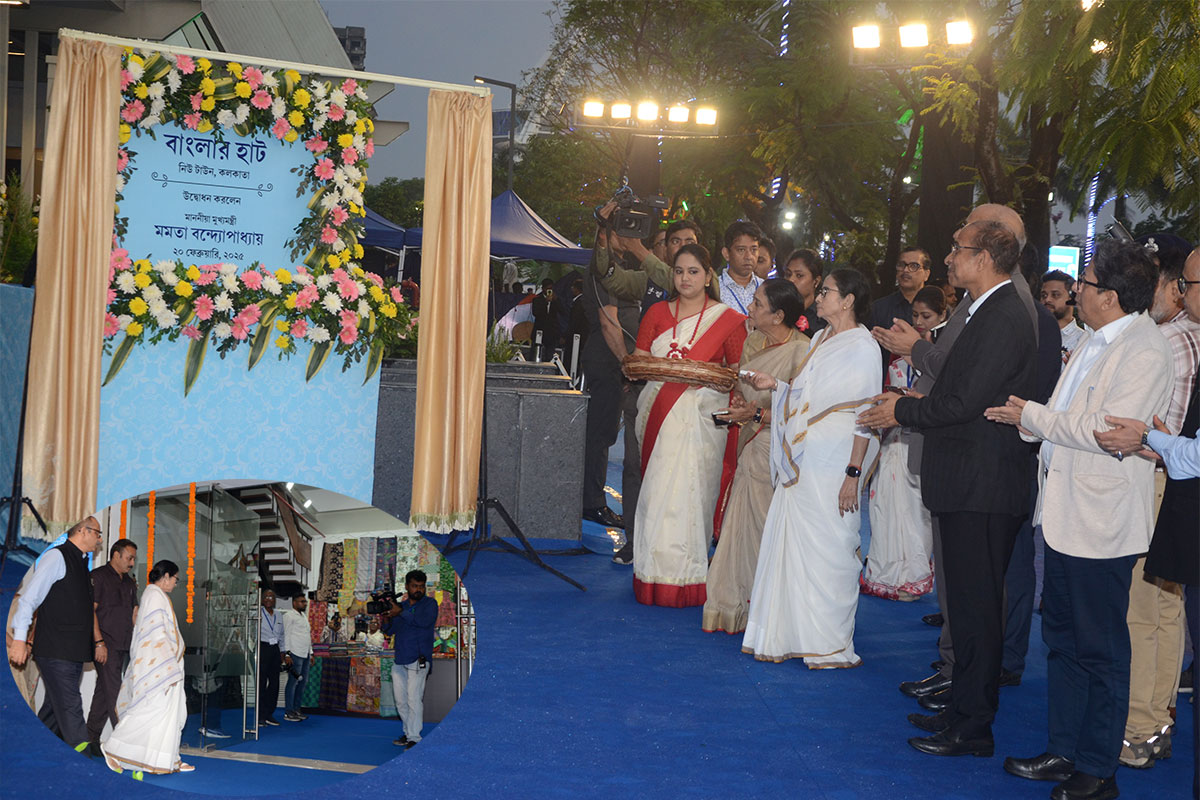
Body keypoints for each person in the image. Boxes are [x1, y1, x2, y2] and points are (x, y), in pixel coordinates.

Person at [990, 238, 1170, 800]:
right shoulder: (1095, 338)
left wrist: (1032, 416)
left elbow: (1108, 432)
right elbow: (1066, 415)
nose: (1075, 293)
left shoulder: (1144, 348)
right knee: (1062, 640)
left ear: (1109, 296)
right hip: (1066, 513)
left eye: (1084, 284)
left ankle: (1098, 768)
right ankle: (1063, 749)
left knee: (1101, 648)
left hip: (1102, 522)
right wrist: (1031, 420)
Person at [860, 219, 1036, 757]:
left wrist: (901, 410)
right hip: (968, 477)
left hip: (982, 482)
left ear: (984, 257)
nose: (949, 257)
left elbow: (965, 402)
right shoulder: (982, 308)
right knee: (965, 607)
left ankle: (973, 726)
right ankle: (961, 711)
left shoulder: (1003, 313)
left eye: (957, 249)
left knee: (977, 610)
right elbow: (961, 390)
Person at [739, 268, 880, 666]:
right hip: (804, 456)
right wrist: (774, 386)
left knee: (831, 544)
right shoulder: (819, 339)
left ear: (848, 301)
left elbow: (866, 414)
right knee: (796, 543)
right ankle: (789, 634)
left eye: (827, 292)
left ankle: (828, 643)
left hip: (836, 460)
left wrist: (853, 474)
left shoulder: (864, 347)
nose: (818, 298)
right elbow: (803, 397)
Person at [631, 243, 747, 606]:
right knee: (657, 493)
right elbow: (640, 359)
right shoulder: (656, 312)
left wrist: (701, 380)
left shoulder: (728, 320)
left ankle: (690, 578)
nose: (685, 278)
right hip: (659, 415)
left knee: (693, 495)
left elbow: (737, 372)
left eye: (693, 271)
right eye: (679, 271)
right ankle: (650, 575)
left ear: (708, 276)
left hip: (702, 420)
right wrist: (669, 370)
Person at [702, 279, 810, 633]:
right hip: (748, 442)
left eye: (758, 304)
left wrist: (758, 415)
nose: (750, 307)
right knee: (739, 525)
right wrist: (739, 405)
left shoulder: (802, 352)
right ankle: (733, 605)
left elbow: (802, 412)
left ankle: (770, 612)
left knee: (767, 528)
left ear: (778, 316)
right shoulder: (753, 340)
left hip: (776, 450)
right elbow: (743, 389)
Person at [596, 216, 704, 564]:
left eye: (690, 242)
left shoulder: (707, 287)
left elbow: (676, 279)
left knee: (680, 470)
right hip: (644, 391)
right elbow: (609, 276)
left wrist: (638, 250)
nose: (683, 248)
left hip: (690, 397)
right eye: (675, 242)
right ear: (666, 247)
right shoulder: (647, 279)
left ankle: (676, 543)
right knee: (634, 466)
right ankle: (634, 539)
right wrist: (603, 234)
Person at [861, 286, 947, 602]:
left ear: (942, 316)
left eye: (927, 316)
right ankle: (882, 576)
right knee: (883, 508)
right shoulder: (897, 358)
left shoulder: (942, 359)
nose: (920, 322)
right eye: (915, 315)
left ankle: (912, 579)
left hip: (922, 442)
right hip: (892, 441)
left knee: (915, 513)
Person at [7, 518, 106, 751]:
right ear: (83, 531)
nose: (99, 539)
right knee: (72, 710)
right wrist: (19, 639)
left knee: (54, 710)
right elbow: (29, 600)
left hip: (71, 652)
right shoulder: (56, 557)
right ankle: (84, 765)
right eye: (97, 533)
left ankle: (32, 754)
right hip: (56, 651)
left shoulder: (81, 562)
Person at [101, 560, 192, 775]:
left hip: (165, 667)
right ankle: (112, 747)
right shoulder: (154, 596)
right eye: (176, 579)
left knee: (170, 715)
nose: (176, 583)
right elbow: (156, 637)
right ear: (166, 576)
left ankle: (169, 759)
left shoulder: (156, 596)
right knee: (149, 711)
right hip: (160, 669)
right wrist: (168, 669)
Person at [86, 539, 139, 753]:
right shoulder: (98, 577)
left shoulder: (129, 582)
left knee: (104, 693)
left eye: (134, 559)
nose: (132, 563)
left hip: (123, 645)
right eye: (129, 558)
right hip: (105, 645)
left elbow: (134, 614)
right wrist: (99, 643)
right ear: (116, 555)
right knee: (116, 694)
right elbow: (89, 612)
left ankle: (89, 740)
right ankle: (125, 746)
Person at [382, 570, 438, 748]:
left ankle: (415, 738)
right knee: (401, 701)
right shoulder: (401, 606)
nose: (418, 589)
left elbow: (423, 622)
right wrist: (387, 616)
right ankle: (408, 733)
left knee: (414, 699)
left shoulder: (430, 604)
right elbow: (390, 630)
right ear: (407, 586)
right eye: (414, 586)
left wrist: (400, 612)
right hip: (400, 659)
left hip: (419, 658)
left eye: (421, 586)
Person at [872, 246, 932, 361]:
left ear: (926, 274)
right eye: (902, 265)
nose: (906, 270)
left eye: (913, 266)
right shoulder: (879, 308)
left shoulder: (938, 308)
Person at [717, 220, 763, 315]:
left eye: (754, 250)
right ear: (726, 254)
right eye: (741, 250)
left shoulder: (766, 287)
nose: (749, 256)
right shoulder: (714, 289)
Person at [1040, 269, 1086, 362]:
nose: (1047, 299)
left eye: (1055, 295)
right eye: (1044, 295)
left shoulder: (1082, 341)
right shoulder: (1033, 335)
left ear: (1072, 298)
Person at [280, 594, 312, 723]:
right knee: (292, 683)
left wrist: (311, 652)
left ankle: (296, 709)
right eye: (302, 601)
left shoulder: (303, 616)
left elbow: (307, 635)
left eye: (305, 601)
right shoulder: (289, 616)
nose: (305, 603)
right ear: (294, 603)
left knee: (302, 683)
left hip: (305, 654)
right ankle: (288, 712)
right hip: (294, 654)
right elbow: (285, 635)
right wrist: (287, 654)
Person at [780, 248, 825, 334]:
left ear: (816, 281)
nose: (791, 280)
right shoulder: (776, 309)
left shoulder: (822, 317)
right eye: (788, 274)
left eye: (799, 275)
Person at [258, 589, 283, 727]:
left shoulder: (279, 615)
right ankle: (260, 715)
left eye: (271, 597)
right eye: (266, 597)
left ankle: (269, 713)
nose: (269, 599)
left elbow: (282, 635)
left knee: (274, 683)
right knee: (261, 683)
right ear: (262, 600)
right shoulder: (257, 613)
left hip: (275, 650)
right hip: (262, 648)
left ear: (275, 600)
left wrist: (284, 652)